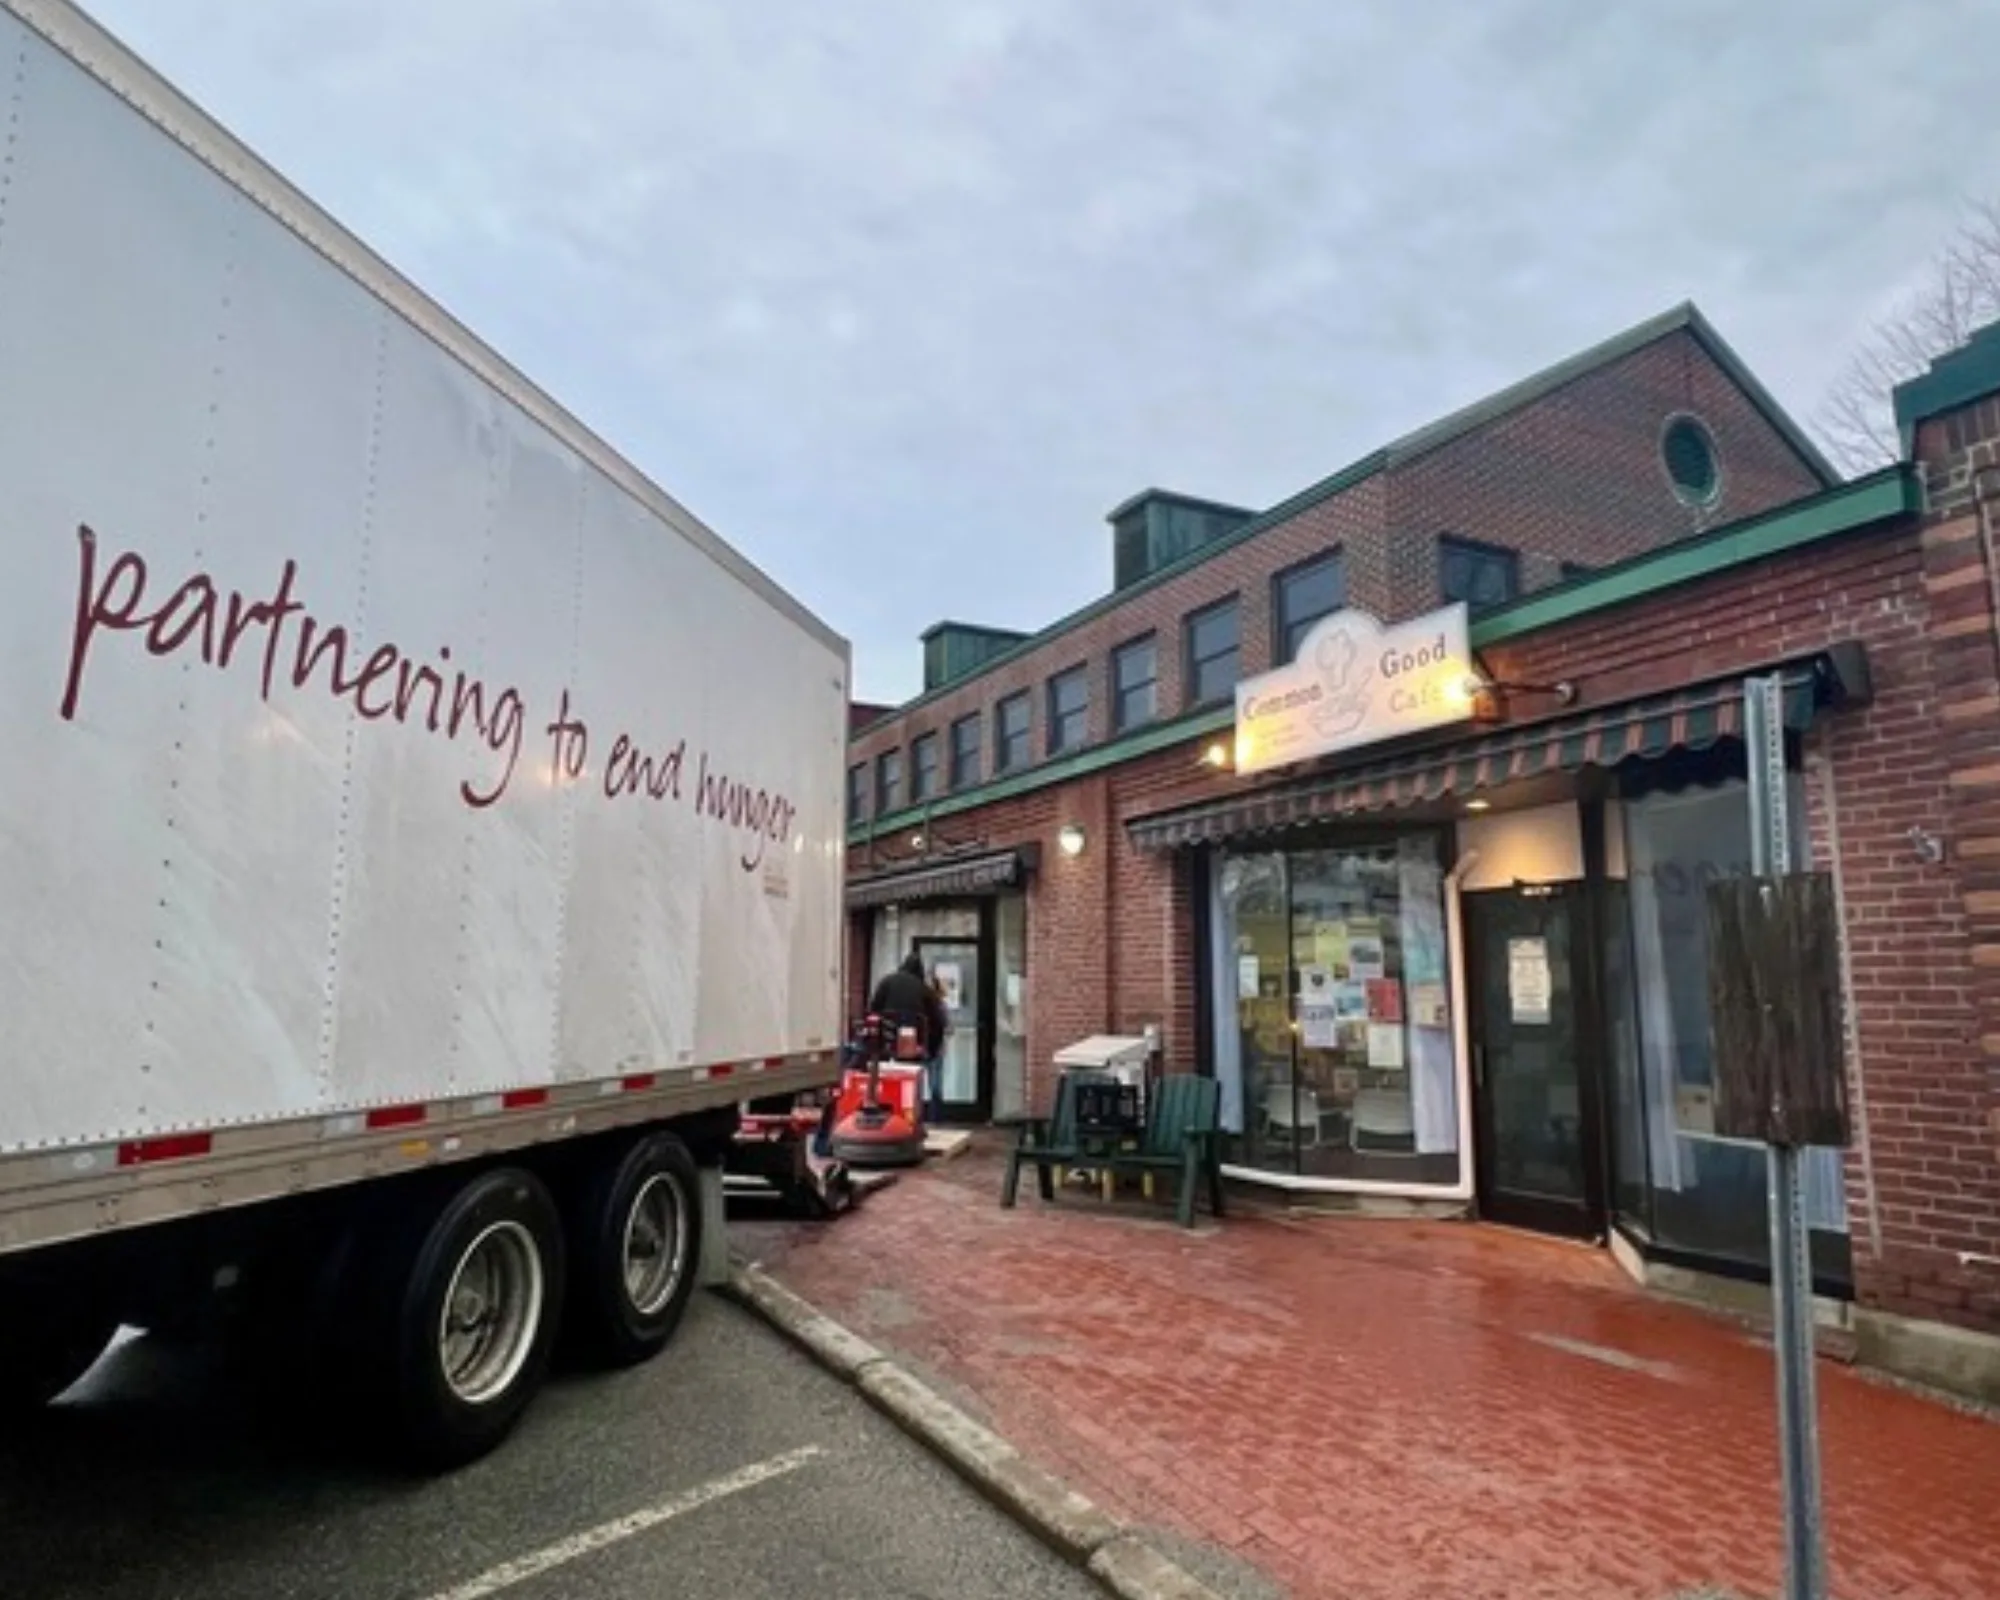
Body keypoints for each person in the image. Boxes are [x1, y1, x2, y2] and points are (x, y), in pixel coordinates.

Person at [867, 950, 948, 1117]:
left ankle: (887, 1110)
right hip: (914, 1045)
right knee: (914, 1080)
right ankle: (917, 1115)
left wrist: (876, 1041)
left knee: (887, 1077)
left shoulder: (887, 982)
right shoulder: (924, 990)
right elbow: (937, 1020)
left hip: (888, 1043)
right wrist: (932, 1049)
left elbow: (873, 1010)